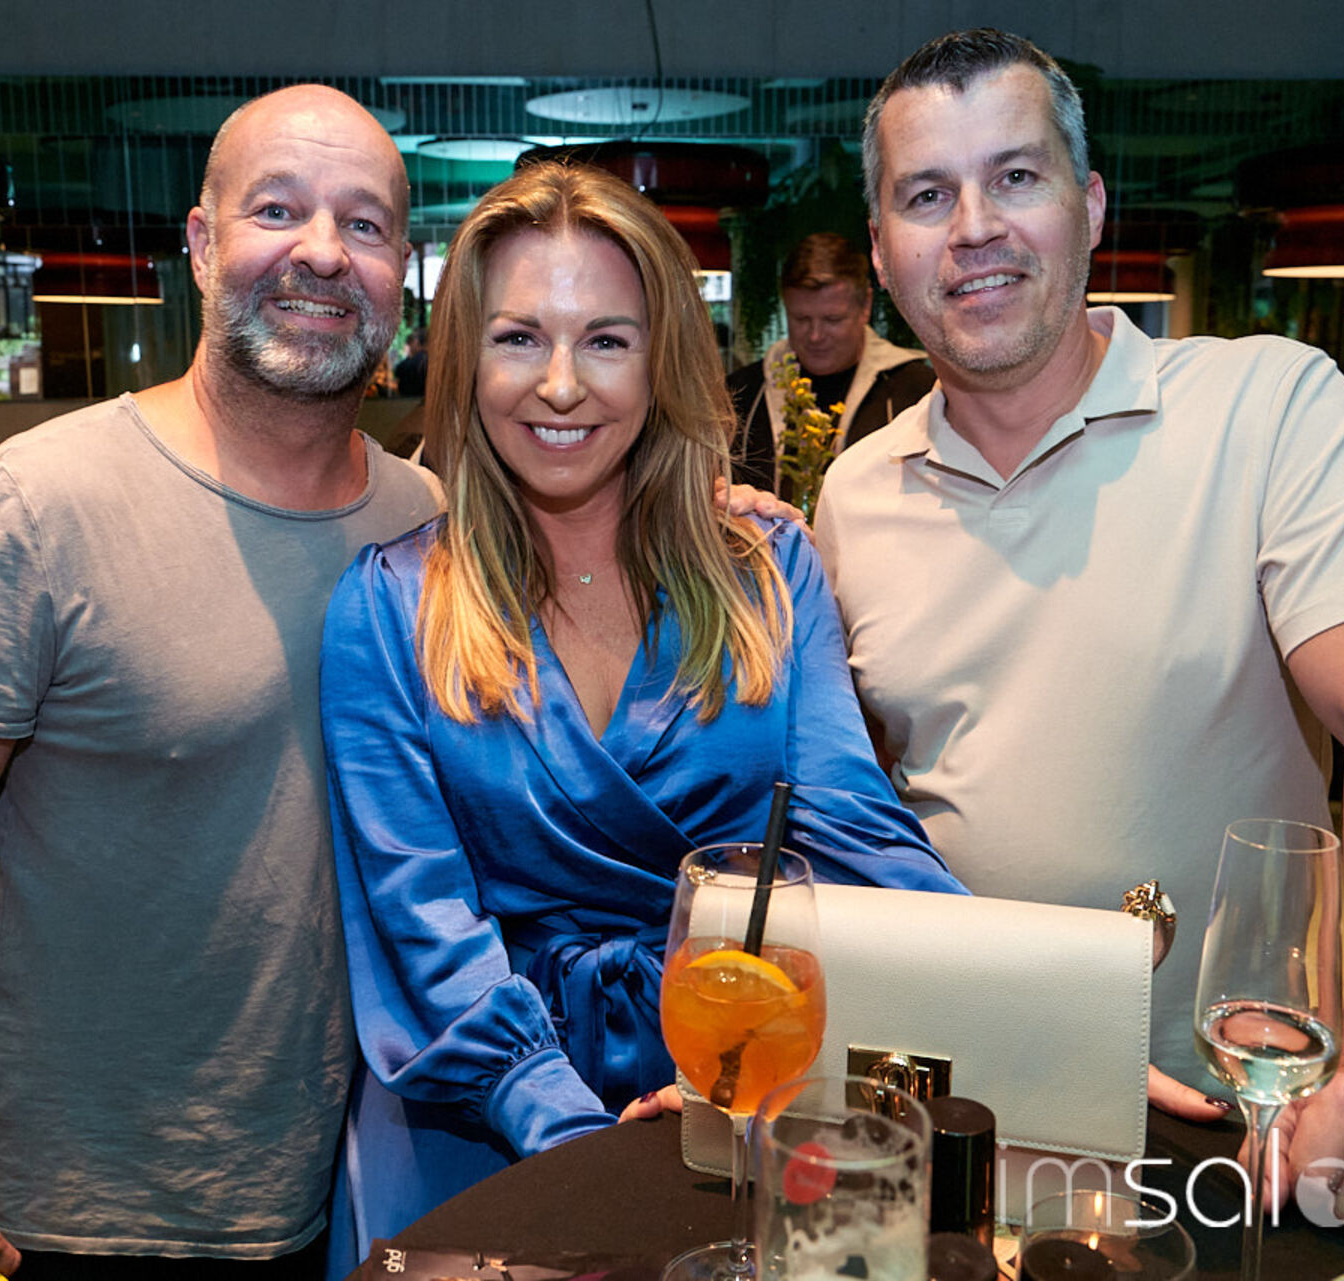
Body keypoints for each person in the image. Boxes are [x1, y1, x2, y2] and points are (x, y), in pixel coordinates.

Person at [816, 29, 1344, 1240]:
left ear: (1089, 207)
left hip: (1239, 1132)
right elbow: (852, 815)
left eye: (1015, 177)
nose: (974, 226)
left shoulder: (1268, 405)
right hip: (964, 1126)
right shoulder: (855, 494)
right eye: (927, 195)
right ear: (881, 251)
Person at [0, 85, 444, 1279]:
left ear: (399, 272)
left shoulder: (427, 520)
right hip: (79, 1214)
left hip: (350, 1182)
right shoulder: (32, 507)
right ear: (202, 244)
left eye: (363, 224)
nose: (322, 251)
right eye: (278, 209)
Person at [317, 162, 966, 1271]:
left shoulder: (769, 569)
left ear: (661, 360)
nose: (561, 385)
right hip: (484, 1119)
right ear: (465, 358)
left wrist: (1036, 1008)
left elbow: (858, 832)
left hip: (734, 1079)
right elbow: (423, 928)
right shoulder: (384, 608)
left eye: (607, 340)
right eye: (520, 338)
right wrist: (586, 1146)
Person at [727, 232, 933, 493]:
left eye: (832, 320)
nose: (815, 336)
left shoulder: (917, 392)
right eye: (801, 319)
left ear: (865, 306)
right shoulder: (741, 395)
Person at [393, 326, 428, 397]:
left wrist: (408, 355)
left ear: (416, 342)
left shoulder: (420, 359)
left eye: (410, 342)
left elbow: (398, 370)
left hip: (411, 399)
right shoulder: (424, 358)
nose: (409, 345)